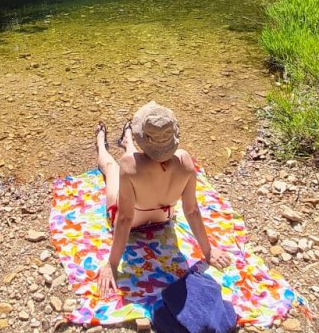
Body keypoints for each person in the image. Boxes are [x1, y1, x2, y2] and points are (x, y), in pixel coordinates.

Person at [95, 100, 232, 297]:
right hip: (164, 218)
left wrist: (112, 264)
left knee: (111, 168)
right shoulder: (185, 161)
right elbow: (192, 211)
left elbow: (125, 218)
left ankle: (102, 142)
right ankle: (127, 141)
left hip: (133, 222)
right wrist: (208, 252)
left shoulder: (129, 165)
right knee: (131, 159)